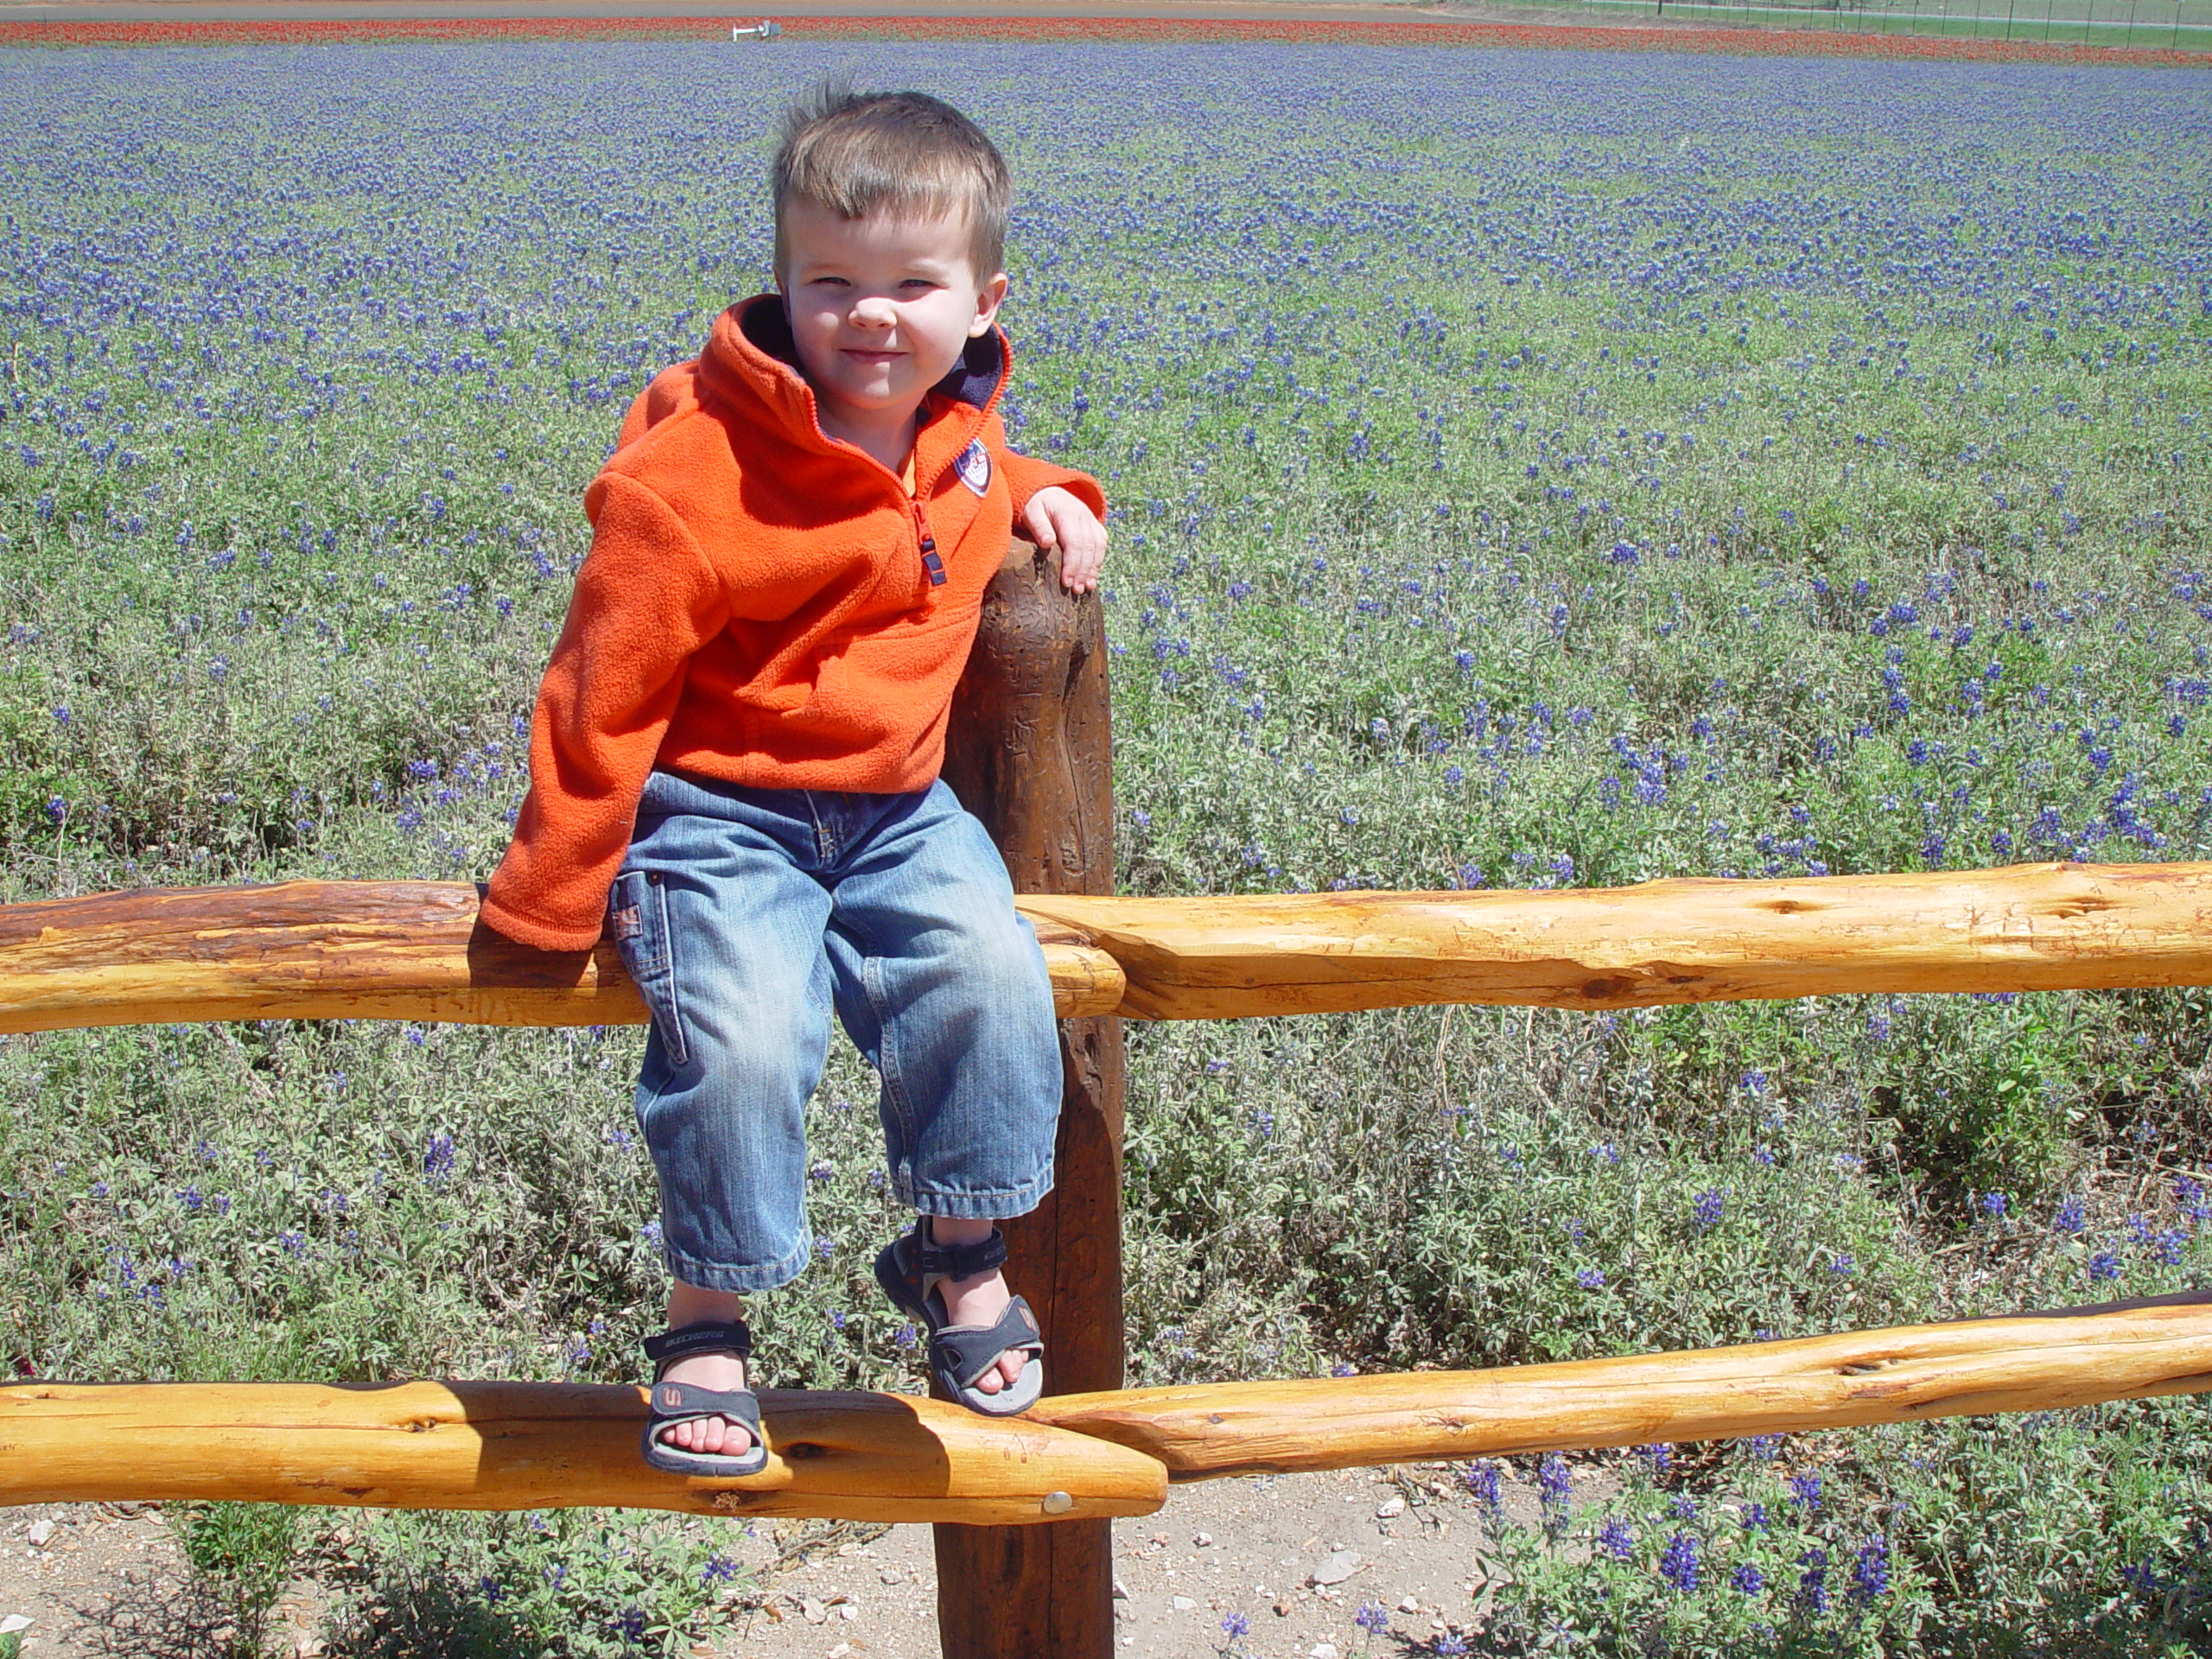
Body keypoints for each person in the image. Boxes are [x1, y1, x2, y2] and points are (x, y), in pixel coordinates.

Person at [478, 85, 1107, 1476]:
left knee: (995, 981)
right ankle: (705, 1319)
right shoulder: (693, 469)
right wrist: (549, 888)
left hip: (896, 812)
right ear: (782, 282)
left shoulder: (956, 431)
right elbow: (602, 684)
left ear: (984, 305)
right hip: (721, 814)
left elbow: (967, 471)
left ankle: (957, 1253)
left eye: (911, 286)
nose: (871, 316)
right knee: (744, 1035)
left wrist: (1058, 488)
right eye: (833, 282)